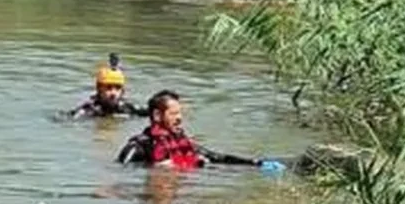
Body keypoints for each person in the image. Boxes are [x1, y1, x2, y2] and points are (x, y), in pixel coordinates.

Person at [117, 89, 266, 171]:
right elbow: (119, 171)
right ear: (157, 115)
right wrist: (154, 168)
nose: (180, 118)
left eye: (180, 113)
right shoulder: (139, 147)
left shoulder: (182, 142)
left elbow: (217, 158)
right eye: (174, 114)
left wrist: (255, 163)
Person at [68, 53, 145, 119]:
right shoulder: (88, 110)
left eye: (117, 88)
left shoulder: (128, 108)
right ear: (99, 89)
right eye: (108, 88)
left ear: (122, 91)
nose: (113, 93)